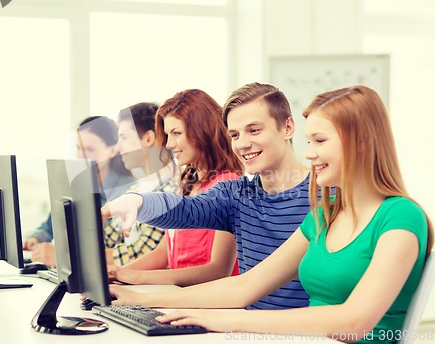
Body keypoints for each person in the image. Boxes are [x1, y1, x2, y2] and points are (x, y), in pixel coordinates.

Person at [109, 86, 434, 343]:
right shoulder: (324, 214)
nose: (310, 152)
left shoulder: (396, 216)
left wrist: (229, 321)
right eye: (234, 135)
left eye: (320, 140)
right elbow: (244, 285)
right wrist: (140, 298)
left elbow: (354, 320)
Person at [103, 82, 311, 310]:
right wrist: (138, 201)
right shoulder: (235, 195)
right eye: (234, 134)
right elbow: (185, 209)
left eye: (254, 130)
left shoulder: (328, 195)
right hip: (248, 329)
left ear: (288, 127)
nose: (242, 144)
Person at [108, 89, 243, 287]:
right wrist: (119, 274)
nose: (169, 144)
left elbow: (219, 270)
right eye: (168, 134)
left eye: (176, 133)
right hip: (180, 297)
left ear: (203, 130)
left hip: (210, 303)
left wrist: (136, 278)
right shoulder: (186, 184)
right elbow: (164, 254)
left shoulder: (229, 184)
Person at [23, 115, 135, 266]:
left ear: (113, 150)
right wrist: (35, 239)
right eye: (78, 148)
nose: (81, 155)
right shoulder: (77, 181)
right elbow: (50, 226)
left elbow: (103, 244)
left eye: (89, 149)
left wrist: (60, 253)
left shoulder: (127, 190)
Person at [104, 102, 180, 266]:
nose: (118, 147)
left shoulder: (175, 189)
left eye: (123, 137)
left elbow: (143, 252)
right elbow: (108, 237)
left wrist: (83, 258)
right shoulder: (135, 189)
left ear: (148, 138)